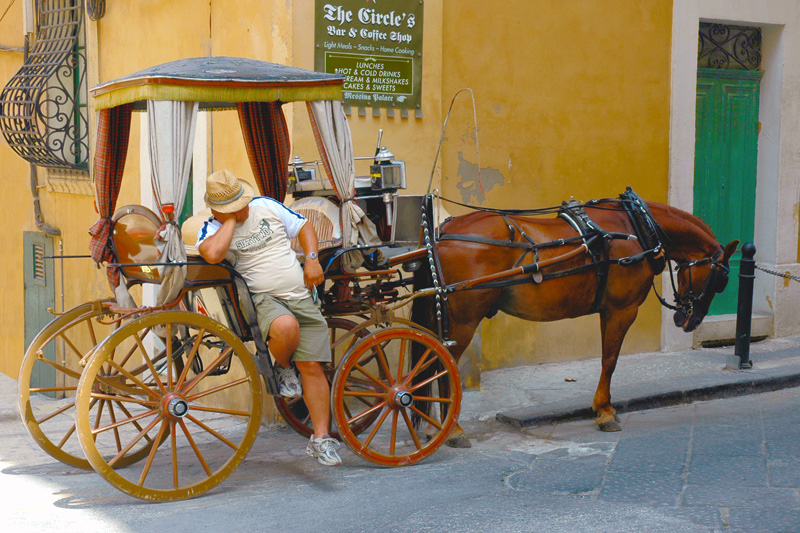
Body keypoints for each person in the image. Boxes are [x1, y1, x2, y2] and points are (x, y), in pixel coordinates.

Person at [196, 169, 341, 466]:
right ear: (216, 209)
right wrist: (230, 220)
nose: (243, 209)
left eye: (242, 204)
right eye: (232, 208)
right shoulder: (211, 227)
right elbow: (212, 254)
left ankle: (321, 438)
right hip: (265, 299)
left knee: (312, 366)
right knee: (286, 326)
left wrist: (311, 259)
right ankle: (283, 367)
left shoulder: (267, 206)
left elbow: (304, 228)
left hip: (301, 294)